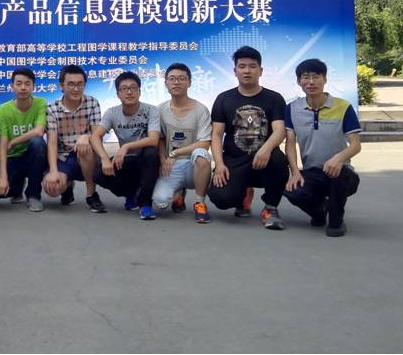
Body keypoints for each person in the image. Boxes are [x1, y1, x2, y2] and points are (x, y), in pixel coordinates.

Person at [208, 46, 289, 230]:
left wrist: (266, 149)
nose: (247, 71)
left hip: (264, 158)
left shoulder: (274, 98)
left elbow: (279, 130)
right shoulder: (223, 99)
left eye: (252, 66)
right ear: (235, 71)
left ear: (261, 70)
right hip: (234, 159)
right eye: (242, 66)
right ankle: (243, 195)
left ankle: (270, 208)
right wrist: (219, 165)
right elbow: (217, 134)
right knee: (221, 199)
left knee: (278, 160)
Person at [284, 58, 362, 237]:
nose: (311, 82)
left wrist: (339, 159)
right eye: (306, 77)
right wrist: (295, 172)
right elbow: (290, 143)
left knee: (338, 175)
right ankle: (319, 211)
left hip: (341, 173)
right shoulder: (292, 109)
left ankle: (336, 220)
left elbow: (356, 145)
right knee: (292, 191)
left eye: (316, 77)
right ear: (299, 82)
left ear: (325, 79)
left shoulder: (343, 107)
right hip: (312, 172)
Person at [90, 71, 161, 220]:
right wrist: (104, 158)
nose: (129, 92)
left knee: (151, 152)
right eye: (124, 88)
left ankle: (145, 204)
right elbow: (95, 136)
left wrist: (125, 147)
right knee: (97, 173)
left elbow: (154, 139)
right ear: (118, 94)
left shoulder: (151, 110)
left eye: (133, 88)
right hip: (125, 161)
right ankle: (131, 194)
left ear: (140, 91)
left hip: (147, 162)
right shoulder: (112, 113)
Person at [151, 63, 213, 223]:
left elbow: (205, 143)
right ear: (166, 83)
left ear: (189, 82)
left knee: (202, 155)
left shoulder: (201, 110)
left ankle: (200, 203)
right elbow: (160, 139)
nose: (176, 82)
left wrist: (174, 153)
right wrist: (163, 160)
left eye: (181, 78)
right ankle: (178, 192)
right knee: (160, 202)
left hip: (194, 164)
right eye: (172, 79)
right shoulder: (160, 110)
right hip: (171, 166)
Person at [42, 65, 105, 213]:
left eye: (79, 84)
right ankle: (67, 186)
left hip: (86, 155)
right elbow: (52, 143)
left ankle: (91, 195)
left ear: (84, 85)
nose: (76, 89)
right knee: (52, 188)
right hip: (63, 157)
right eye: (71, 84)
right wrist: (53, 171)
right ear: (62, 86)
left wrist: (86, 137)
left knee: (86, 148)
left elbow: (97, 134)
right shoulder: (52, 109)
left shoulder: (92, 103)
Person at [0, 68, 48, 212]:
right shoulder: (4, 109)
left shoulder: (40, 103)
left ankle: (33, 195)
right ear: (12, 86)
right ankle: (17, 187)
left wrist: (14, 141)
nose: (23, 87)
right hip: (13, 157)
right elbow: (3, 144)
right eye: (19, 83)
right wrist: (3, 177)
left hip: (33, 156)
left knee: (37, 142)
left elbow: (39, 131)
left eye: (27, 84)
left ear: (33, 87)